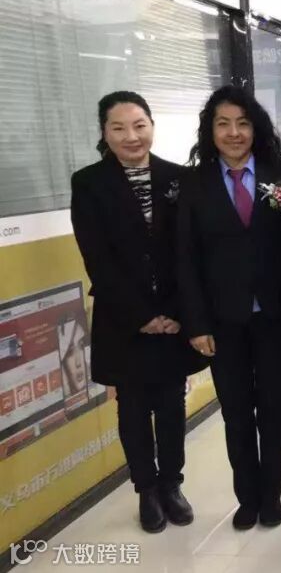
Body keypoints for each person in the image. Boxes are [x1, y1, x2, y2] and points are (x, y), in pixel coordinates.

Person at [70, 91, 206, 533]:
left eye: (139, 125)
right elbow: (97, 257)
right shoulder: (89, 183)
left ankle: (172, 484)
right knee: (131, 407)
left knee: (170, 404)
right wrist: (141, 315)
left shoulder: (179, 178)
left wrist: (174, 311)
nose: (131, 136)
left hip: (174, 315)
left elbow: (190, 251)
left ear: (152, 126)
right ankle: (145, 489)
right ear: (104, 132)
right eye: (119, 127)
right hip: (123, 319)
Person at [177, 86, 281, 531]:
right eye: (223, 124)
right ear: (210, 131)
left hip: (275, 318)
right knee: (237, 412)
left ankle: (272, 496)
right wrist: (196, 323)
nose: (234, 133)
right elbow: (185, 258)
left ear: (255, 128)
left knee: (275, 410)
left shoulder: (280, 176)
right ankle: (247, 497)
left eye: (243, 123)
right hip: (222, 320)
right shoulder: (195, 185)